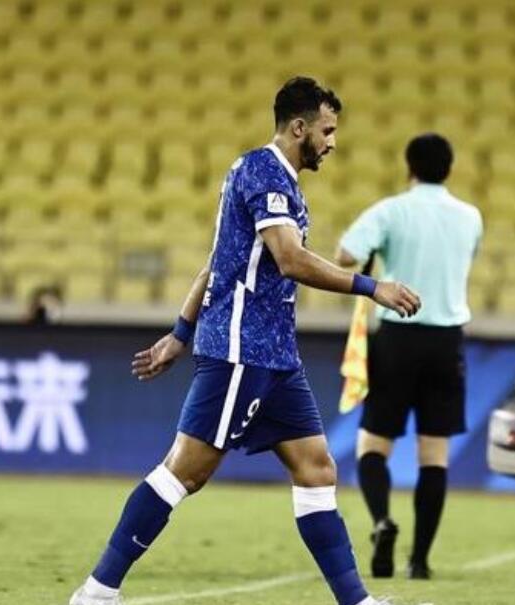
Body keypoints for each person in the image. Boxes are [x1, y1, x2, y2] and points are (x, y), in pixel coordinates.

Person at [69, 77, 421, 605]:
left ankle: (357, 602)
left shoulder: (277, 180)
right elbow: (290, 259)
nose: (332, 142)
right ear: (298, 128)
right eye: (326, 131)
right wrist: (373, 288)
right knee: (185, 471)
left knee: (316, 468)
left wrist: (180, 333)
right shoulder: (264, 172)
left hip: (275, 356)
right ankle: (98, 591)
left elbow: (218, 262)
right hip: (241, 349)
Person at [335, 133, 482, 580]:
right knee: (433, 454)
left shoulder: (391, 210)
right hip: (446, 341)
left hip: (397, 338)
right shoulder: (471, 217)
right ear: (449, 169)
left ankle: (382, 520)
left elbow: (344, 256)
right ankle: (420, 560)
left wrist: (379, 256)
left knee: (373, 445)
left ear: (409, 167)